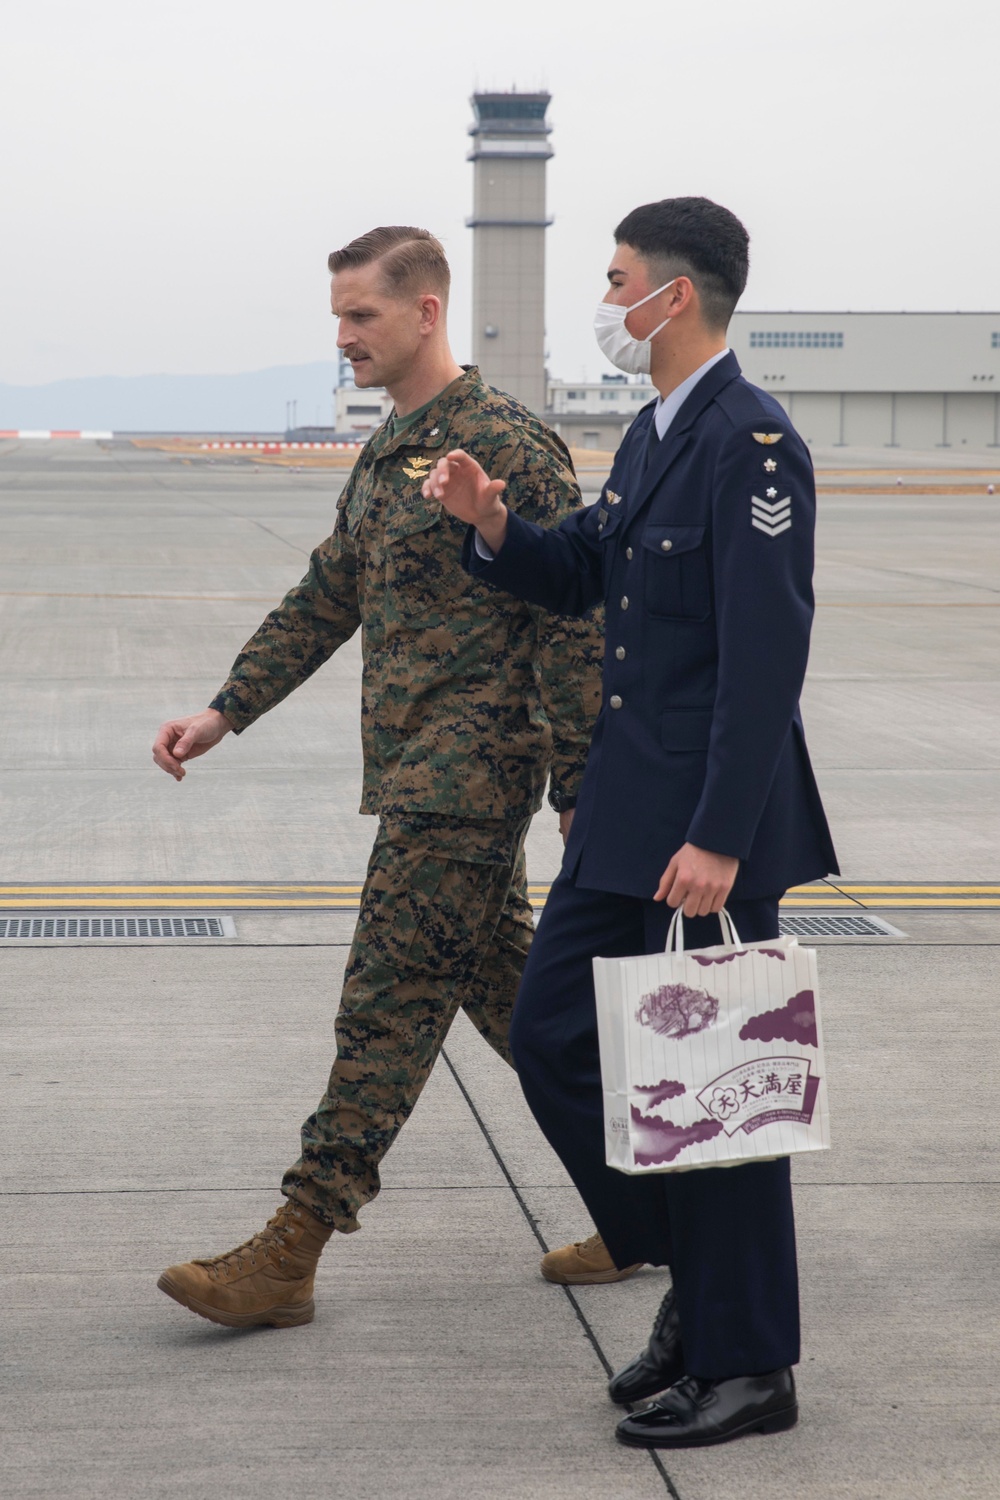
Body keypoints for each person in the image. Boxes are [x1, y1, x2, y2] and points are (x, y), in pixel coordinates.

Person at [423, 197, 839, 1448]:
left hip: (701, 835)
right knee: (552, 1036)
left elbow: (764, 662)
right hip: (627, 813)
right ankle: (694, 1288)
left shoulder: (748, 442)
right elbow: (585, 570)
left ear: (675, 296)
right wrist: (491, 522)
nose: (606, 307)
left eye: (616, 285)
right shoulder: (658, 431)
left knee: (719, 1085)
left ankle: (749, 1364)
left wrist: (719, 833)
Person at [151, 225, 619, 1331]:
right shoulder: (391, 446)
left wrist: (579, 786)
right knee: (520, 1008)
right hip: (416, 762)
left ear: (424, 311)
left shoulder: (506, 442)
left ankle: (295, 1244)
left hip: (471, 772)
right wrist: (227, 709)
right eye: (337, 317)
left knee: (386, 1000)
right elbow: (329, 591)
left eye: (360, 315)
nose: (343, 337)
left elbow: (571, 619)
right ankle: (659, 1195)